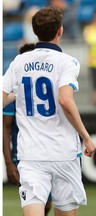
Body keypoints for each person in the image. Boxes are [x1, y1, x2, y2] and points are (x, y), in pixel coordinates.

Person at [2, 7, 96, 216]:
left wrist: (18, 92)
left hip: (31, 154)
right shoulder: (68, 62)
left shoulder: (19, 61)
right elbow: (65, 100)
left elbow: (3, 98)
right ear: (60, 31)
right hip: (63, 153)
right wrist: (86, 137)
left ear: (34, 31)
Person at [3, 43, 52, 216]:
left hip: (51, 153)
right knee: (36, 202)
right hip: (25, 155)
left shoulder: (48, 87)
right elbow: (6, 127)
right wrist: (9, 163)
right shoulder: (13, 92)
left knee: (47, 204)